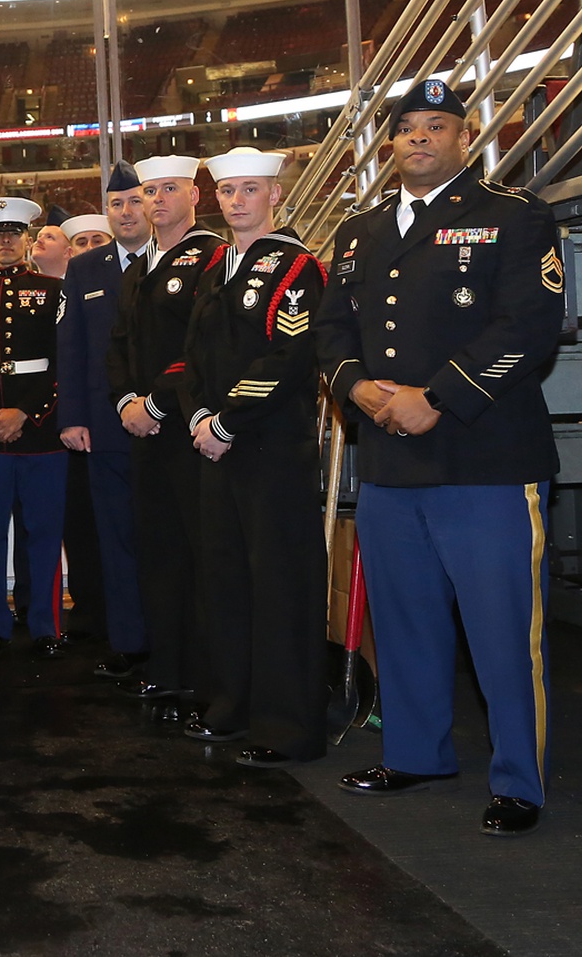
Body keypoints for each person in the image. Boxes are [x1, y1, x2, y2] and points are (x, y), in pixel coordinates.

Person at [315, 78, 564, 837]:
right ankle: (416, 752)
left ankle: (519, 779)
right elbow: (331, 332)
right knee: (405, 621)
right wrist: (355, 389)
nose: (419, 138)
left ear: (466, 136)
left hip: (485, 457)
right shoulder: (357, 232)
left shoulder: (514, 215)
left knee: (502, 633)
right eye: (407, 128)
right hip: (390, 461)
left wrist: (439, 394)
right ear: (389, 143)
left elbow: (530, 325)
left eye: (437, 125)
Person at [178, 148, 329, 765]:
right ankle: (231, 705)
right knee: (225, 581)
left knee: (280, 588)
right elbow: (192, 356)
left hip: (269, 449)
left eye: (249, 189)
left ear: (275, 196)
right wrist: (197, 416)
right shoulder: (216, 268)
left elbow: (289, 360)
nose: (235, 201)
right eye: (226, 190)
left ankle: (287, 727)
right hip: (216, 446)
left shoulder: (296, 268)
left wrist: (228, 421)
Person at [108, 156, 225, 714]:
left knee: (198, 556)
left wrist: (155, 402)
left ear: (195, 196)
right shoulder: (137, 268)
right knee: (157, 554)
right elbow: (119, 346)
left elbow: (201, 347)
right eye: (148, 191)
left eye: (168, 189)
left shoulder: (213, 258)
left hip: (190, 429)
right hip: (142, 431)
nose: (155, 200)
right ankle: (167, 668)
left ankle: (204, 679)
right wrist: (126, 401)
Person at [58, 163, 152, 678]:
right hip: (103, 425)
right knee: (113, 539)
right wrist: (71, 416)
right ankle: (129, 642)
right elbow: (70, 346)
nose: (125, 212)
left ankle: (171, 640)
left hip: (165, 424)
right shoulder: (86, 268)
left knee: (161, 537)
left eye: (134, 201)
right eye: (115, 204)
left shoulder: (173, 259)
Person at [0, 195, 69, 653]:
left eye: (14, 233)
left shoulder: (52, 290)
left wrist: (28, 413)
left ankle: (45, 622)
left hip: (40, 433)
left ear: (27, 239)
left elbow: (64, 363)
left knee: (43, 534)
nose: (5, 241)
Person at [32, 205, 73, 278]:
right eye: (39, 236)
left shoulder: (80, 287)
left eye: (49, 237)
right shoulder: (23, 286)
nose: (39, 240)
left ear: (67, 252)